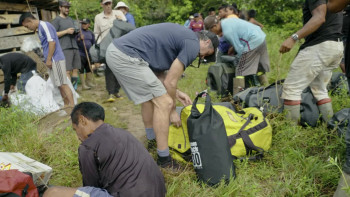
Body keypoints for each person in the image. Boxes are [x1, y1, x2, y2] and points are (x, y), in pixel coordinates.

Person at [105, 23, 218, 168]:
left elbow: (160, 77)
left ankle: (152, 141)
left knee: (149, 99)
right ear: (207, 41)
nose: (201, 56)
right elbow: (170, 82)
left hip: (118, 51)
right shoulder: (192, 44)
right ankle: (164, 160)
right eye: (206, 53)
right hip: (125, 55)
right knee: (164, 103)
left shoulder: (183, 37)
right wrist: (172, 112)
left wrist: (177, 93)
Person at [43, 102, 166, 197]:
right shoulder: (123, 134)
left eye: (76, 130)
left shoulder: (88, 146)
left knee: (52, 192)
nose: (78, 136)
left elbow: (91, 187)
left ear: (82, 120)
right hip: (157, 192)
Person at [278, 0, 343, 125]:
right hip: (336, 45)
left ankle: (290, 134)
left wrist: (293, 38)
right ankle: (330, 127)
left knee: (292, 88)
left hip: (319, 46)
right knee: (320, 89)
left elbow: (319, 18)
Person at [19, 12, 74, 108]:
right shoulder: (39, 29)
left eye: (27, 26)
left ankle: (73, 107)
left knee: (63, 84)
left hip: (55, 59)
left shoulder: (44, 25)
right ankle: (66, 106)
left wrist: (48, 59)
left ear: (30, 21)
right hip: (51, 60)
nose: (29, 28)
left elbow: (52, 42)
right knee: (59, 85)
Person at [204, 15, 270, 94]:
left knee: (240, 70)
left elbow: (240, 49)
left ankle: (237, 96)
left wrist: (238, 60)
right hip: (261, 37)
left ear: (214, 26)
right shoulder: (227, 21)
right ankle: (266, 88)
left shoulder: (227, 31)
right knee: (259, 68)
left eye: (211, 31)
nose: (213, 34)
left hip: (252, 41)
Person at [94, 0, 124, 102]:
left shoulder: (118, 13)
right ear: (101, 5)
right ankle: (111, 92)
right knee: (109, 70)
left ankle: (117, 91)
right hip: (106, 47)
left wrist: (120, 21)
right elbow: (96, 33)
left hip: (119, 45)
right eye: (105, 3)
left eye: (109, 3)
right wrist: (98, 46)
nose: (108, 6)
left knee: (119, 69)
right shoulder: (98, 17)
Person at [51, 0, 81, 90]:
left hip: (74, 46)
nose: (67, 9)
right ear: (60, 8)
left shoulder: (71, 19)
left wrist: (76, 31)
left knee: (75, 69)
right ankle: (70, 90)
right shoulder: (56, 20)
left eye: (68, 8)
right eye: (65, 7)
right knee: (67, 71)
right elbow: (53, 34)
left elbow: (73, 31)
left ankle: (74, 89)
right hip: (64, 47)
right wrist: (66, 31)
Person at [76, 18, 95, 90]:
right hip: (80, 53)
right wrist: (79, 39)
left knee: (89, 68)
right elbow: (75, 42)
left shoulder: (90, 33)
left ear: (89, 25)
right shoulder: (78, 32)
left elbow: (93, 43)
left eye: (85, 24)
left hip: (89, 54)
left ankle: (89, 82)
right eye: (82, 23)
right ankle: (83, 85)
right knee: (81, 69)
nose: (83, 25)